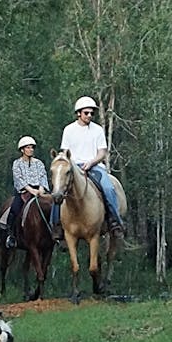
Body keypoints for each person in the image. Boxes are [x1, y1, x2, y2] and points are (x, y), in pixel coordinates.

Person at [55, 96, 123, 237]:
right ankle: (57, 225)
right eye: (86, 113)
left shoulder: (97, 130)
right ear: (79, 113)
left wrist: (92, 162)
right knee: (58, 190)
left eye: (92, 113)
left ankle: (114, 221)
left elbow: (102, 152)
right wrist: (70, 165)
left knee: (108, 187)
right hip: (73, 167)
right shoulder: (68, 130)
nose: (90, 115)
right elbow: (64, 152)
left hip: (94, 166)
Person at [1, 136, 49, 249]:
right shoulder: (17, 163)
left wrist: (41, 189)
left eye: (32, 147)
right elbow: (18, 179)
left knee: (53, 207)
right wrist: (31, 190)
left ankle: (56, 235)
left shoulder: (39, 163)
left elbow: (43, 176)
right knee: (14, 209)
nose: (31, 149)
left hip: (39, 191)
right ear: (22, 150)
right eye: (28, 147)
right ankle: (11, 236)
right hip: (24, 191)